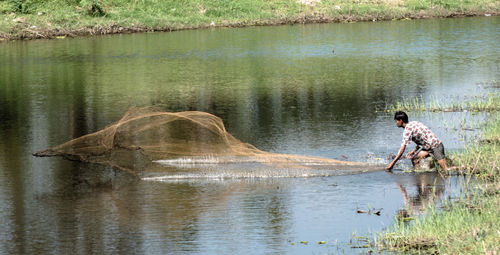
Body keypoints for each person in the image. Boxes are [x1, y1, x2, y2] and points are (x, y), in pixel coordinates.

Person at [386, 111, 453, 171]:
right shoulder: (414, 123)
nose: (396, 123)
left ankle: (462, 168)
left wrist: (393, 163)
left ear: (401, 120)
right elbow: (423, 139)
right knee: (415, 159)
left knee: (446, 169)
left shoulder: (407, 130)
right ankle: (419, 175)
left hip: (436, 146)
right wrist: (414, 150)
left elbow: (402, 148)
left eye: (396, 121)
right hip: (429, 147)